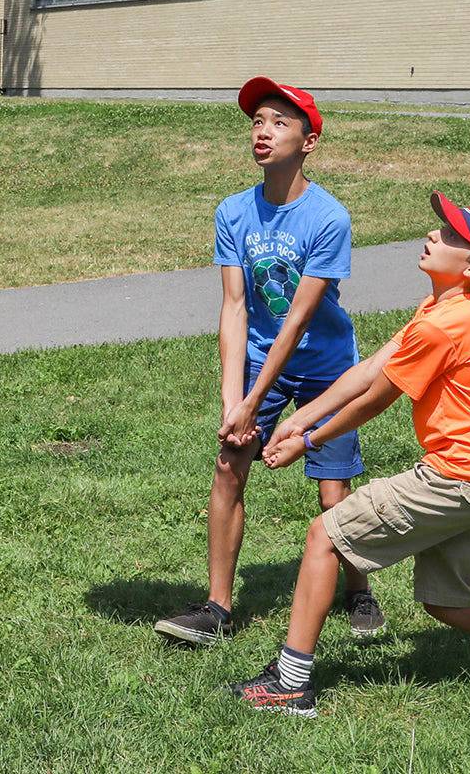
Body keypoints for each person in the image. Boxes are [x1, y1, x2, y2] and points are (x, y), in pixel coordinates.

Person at [228, 192, 470, 716]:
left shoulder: (444, 324)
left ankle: (290, 683)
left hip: (458, 478)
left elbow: (378, 397)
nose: (435, 234)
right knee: (445, 601)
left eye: (452, 235)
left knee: (325, 536)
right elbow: (371, 368)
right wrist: (300, 419)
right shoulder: (444, 308)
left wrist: (308, 441)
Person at [154, 77, 384, 646]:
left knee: (332, 489)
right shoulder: (233, 212)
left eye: (280, 122)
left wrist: (253, 400)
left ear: (309, 142)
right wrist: (234, 401)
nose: (264, 131)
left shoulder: (328, 217)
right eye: (258, 121)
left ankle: (357, 589)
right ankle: (217, 608)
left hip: (326, 364)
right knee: (229, 463)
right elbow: (234, 307)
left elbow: (299, 319)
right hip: (260, 359)